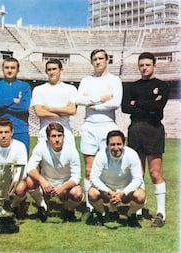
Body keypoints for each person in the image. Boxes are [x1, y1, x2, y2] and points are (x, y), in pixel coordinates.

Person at [121, 52, 169, 228]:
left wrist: (137, 103)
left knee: (155, 173)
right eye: (142, 65)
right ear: (138, 66)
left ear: (154, 66)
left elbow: (158, 107)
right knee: (137, 173)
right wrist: (149, 104)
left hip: (154, 129)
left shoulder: (162, 86)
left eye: (148, 65)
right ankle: (137, 211)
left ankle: (161, 214)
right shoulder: (131, 86)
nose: (144, 68)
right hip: (135, 130)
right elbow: (125, 107)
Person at [74, 49, 122, 213]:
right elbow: (78, 99)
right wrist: (100, 99)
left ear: (107, 60)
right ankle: (90, 206)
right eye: (95, 59)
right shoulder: (86, 80)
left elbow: (116, 102)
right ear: (91, 61)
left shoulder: (114, 80)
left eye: (101, 58)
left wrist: (93, 105)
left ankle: (111, 205)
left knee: (107, 168)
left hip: (108, 126)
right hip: (89, 125)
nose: (98, 61)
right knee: (89, 169)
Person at [26, 122, 83, 223]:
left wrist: (63, 187)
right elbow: (29, 168)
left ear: (63, 136)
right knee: (30, 180)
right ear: (48, 138)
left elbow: (76, 177)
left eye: (59, 136)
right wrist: (42, 181)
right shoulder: (41, 146)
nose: (57, 139)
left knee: (77, 193)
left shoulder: (71, 150)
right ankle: (42, 206)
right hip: (46, 183)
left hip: (65, 184)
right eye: (53, 136)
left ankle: (68, 210)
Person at [88, 130, 146, 228]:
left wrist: (123, 193)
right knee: (92, 193)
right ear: (107, 145)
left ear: (124, 144)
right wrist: (109, 192)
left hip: (125, 190)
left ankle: (131, 215)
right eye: (112, 144)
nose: (116, 148)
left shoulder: (132, 154)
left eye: (119, 144)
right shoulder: (101, 155)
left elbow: (138, 179)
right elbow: (93, 178)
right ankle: (101, 214)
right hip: (107, 190)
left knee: (141, 195)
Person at [31, 59, 78, 148]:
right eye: (49, 70)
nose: (51, 72)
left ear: (61, 70)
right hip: (45, 130)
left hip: (65, 131)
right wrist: (62, 112)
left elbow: (72, 110)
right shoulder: (38, 89)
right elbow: (39, 112)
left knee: (67, 161)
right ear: (46, 71)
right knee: (45, 161)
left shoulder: (71, 89)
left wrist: (50, 109)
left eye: (54, 69)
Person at [0, 57, 31, 153]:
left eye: (12, 68)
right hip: (0, 131)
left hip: (20, 130)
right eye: (7, 67)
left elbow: (24, 107)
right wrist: (12, 100)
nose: (9, 70)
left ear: (18, 70)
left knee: (20, 163)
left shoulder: (25, 86)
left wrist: (2, 103)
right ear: (2, 69)